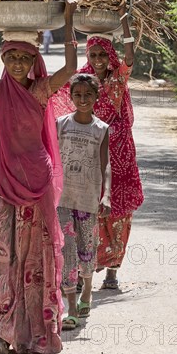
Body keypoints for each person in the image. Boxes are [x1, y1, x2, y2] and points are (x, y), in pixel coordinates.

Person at [0, 0, 77, 354]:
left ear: (35, 61)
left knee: (34, 259)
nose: (19, 64)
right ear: (4, 58)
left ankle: (33, 330)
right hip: (0, 179)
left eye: (26, 58)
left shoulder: (41, 91)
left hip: (36, 181)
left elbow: (71, 68)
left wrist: (69, 17)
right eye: (12, 57)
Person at [53, 6, 144, 290]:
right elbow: (58, 94)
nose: (99, 60)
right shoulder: (81, 79)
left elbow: (130, 57)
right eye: (93, 55)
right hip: (89, 151)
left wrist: (125, 22)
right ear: (87, 56)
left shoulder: (118, 77)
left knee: (117, 212)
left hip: (120, 154)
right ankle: (83, 272)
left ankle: (112, 273)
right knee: (86, 209)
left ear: (110, 55)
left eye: (103, 54)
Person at [56, 74, 111, 330]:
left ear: (96, 97)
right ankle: (72, 307)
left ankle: (87, 288)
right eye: (77, 95)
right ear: (71, 97)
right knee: (67, 250)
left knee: (86, 249)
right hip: (62, 198)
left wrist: (107, 195)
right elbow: (52, 159)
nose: (82, 99)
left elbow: (105, 165)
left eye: (88, 95)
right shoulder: (60, 125)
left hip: (88, 198)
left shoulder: (101, 129)